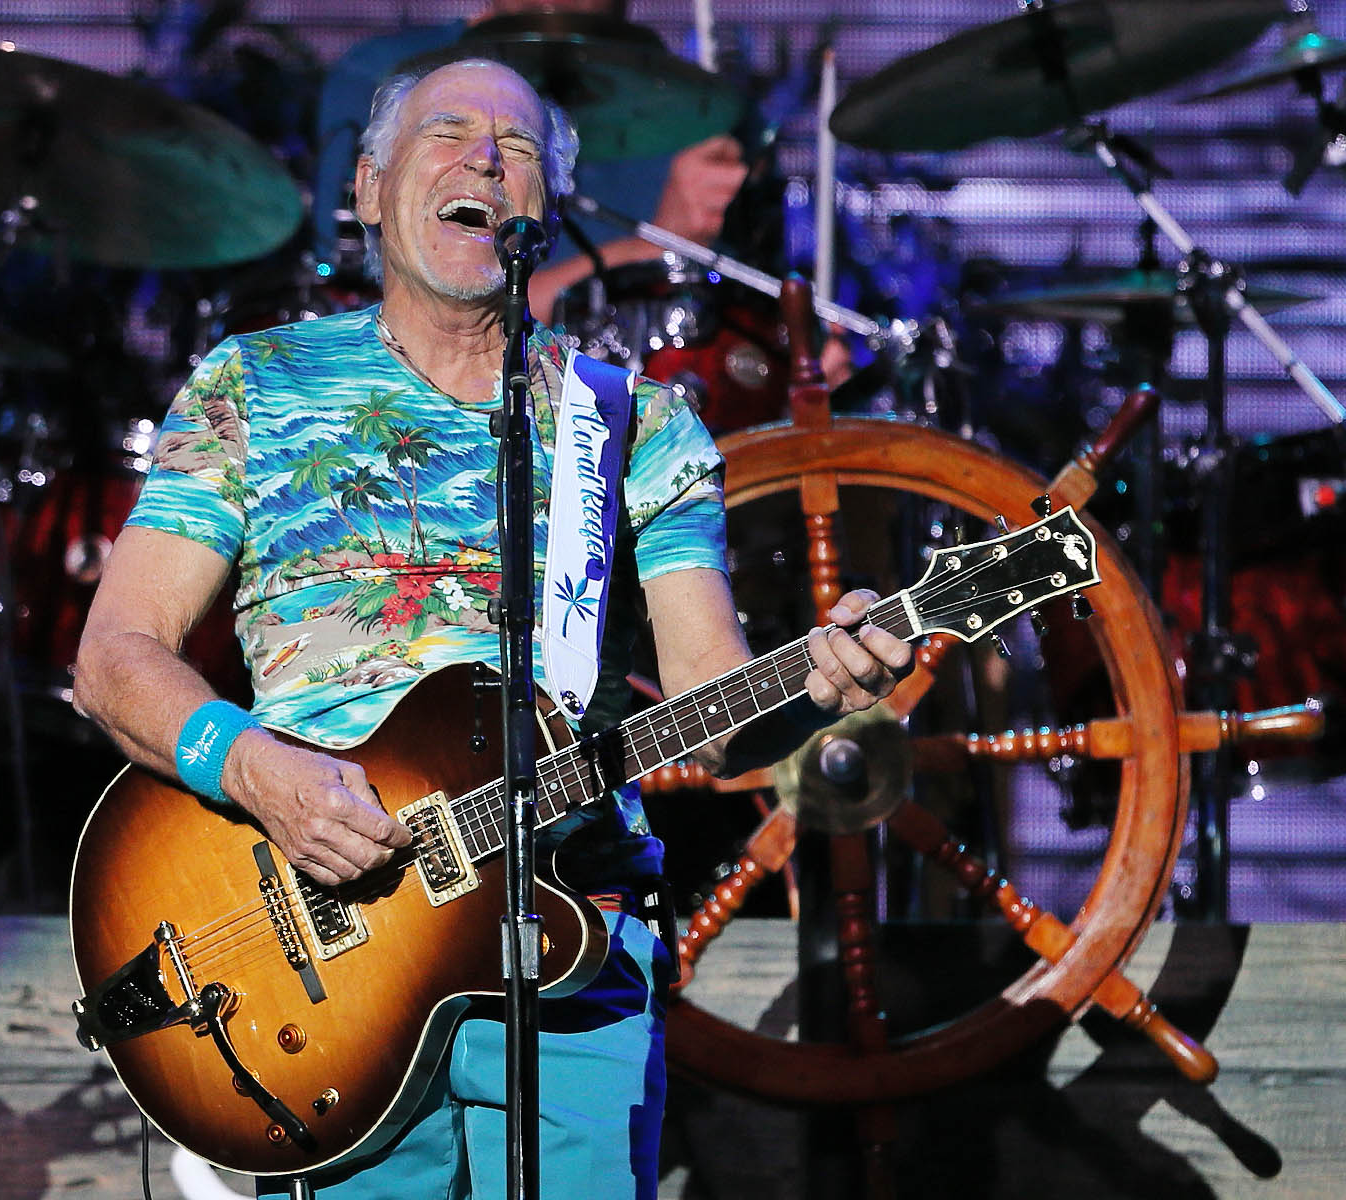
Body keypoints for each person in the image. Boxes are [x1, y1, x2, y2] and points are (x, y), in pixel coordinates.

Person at [73, 56, 910, 1198]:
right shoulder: (254, 384)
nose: (483, 159)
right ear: (368, 189)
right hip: (324, 965)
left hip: (570, 938)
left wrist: (819, 683)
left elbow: (712, 710)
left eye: (516, 148)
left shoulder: (636, 423)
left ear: (545, 209)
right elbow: (115, 656)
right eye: (448, 134)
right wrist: (261, 772)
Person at [308, 0, 749, 320]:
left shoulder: (700, 106)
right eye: (449, 132)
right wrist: (654, 248)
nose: (484, 159)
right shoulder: (382, 74)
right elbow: (359, 311)